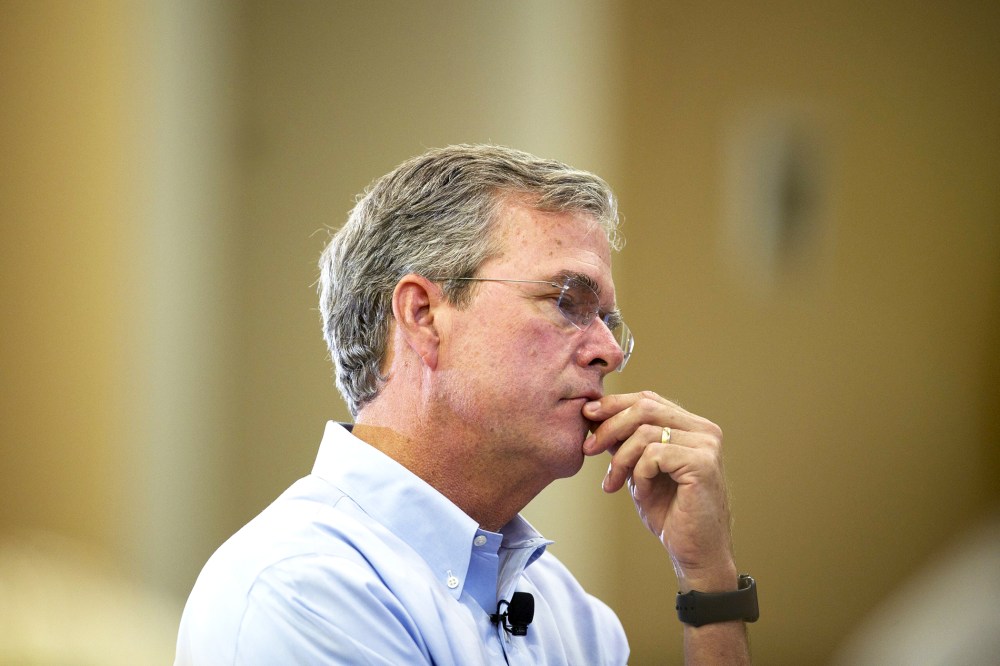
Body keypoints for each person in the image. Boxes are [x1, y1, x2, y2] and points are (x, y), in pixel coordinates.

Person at [175, 144, 756, 664]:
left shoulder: (575, 619)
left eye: (608, 321)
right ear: (424, 316)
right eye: (568, 302)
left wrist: (709, 582)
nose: (609, 352)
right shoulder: (302, 591)